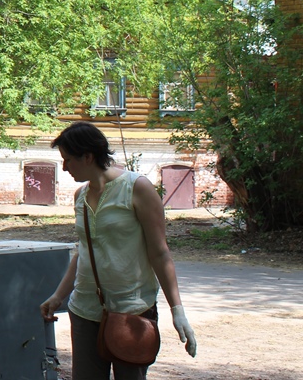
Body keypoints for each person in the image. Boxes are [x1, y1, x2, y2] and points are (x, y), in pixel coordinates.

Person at [39, 121, 198, 380]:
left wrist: (176, 310)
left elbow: (160, 253)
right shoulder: (80, 195)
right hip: (85, 310)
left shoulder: (137, 188)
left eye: (68, 160)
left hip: (132, 308)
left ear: (88, 156)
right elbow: (84, 251)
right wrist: (59, 296)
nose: (64, 167)